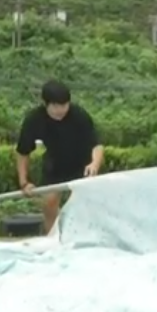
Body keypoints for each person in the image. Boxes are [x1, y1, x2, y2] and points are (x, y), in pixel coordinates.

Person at [15, 80, 103, 233]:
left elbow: (97, 145)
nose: (61, 110)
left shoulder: (79, 115)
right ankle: (52, 237)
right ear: (45, 104)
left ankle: (85, 234)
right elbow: (23, 152)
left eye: (64, 105)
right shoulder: (34, 119)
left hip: (83, 165)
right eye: (56, 106)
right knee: (49, 201)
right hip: (55, 165)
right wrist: (24, 182)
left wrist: (94, 164)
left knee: (83, 204)